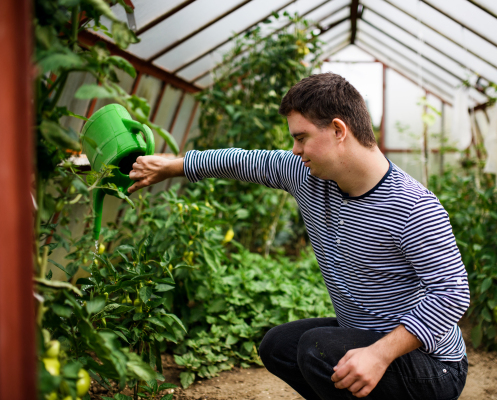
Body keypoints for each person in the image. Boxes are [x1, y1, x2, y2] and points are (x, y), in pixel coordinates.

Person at [128, 73, 470, 400]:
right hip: (367, 336)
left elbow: (452, 294)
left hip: (434, 365)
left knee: (316, 350)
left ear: (338, 130)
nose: (294, 149)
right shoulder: (307, 176)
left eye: (301, 137)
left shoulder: (411, 206)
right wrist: (172, 166)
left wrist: (379, 355)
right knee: (278, 346)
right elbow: (242, 161)